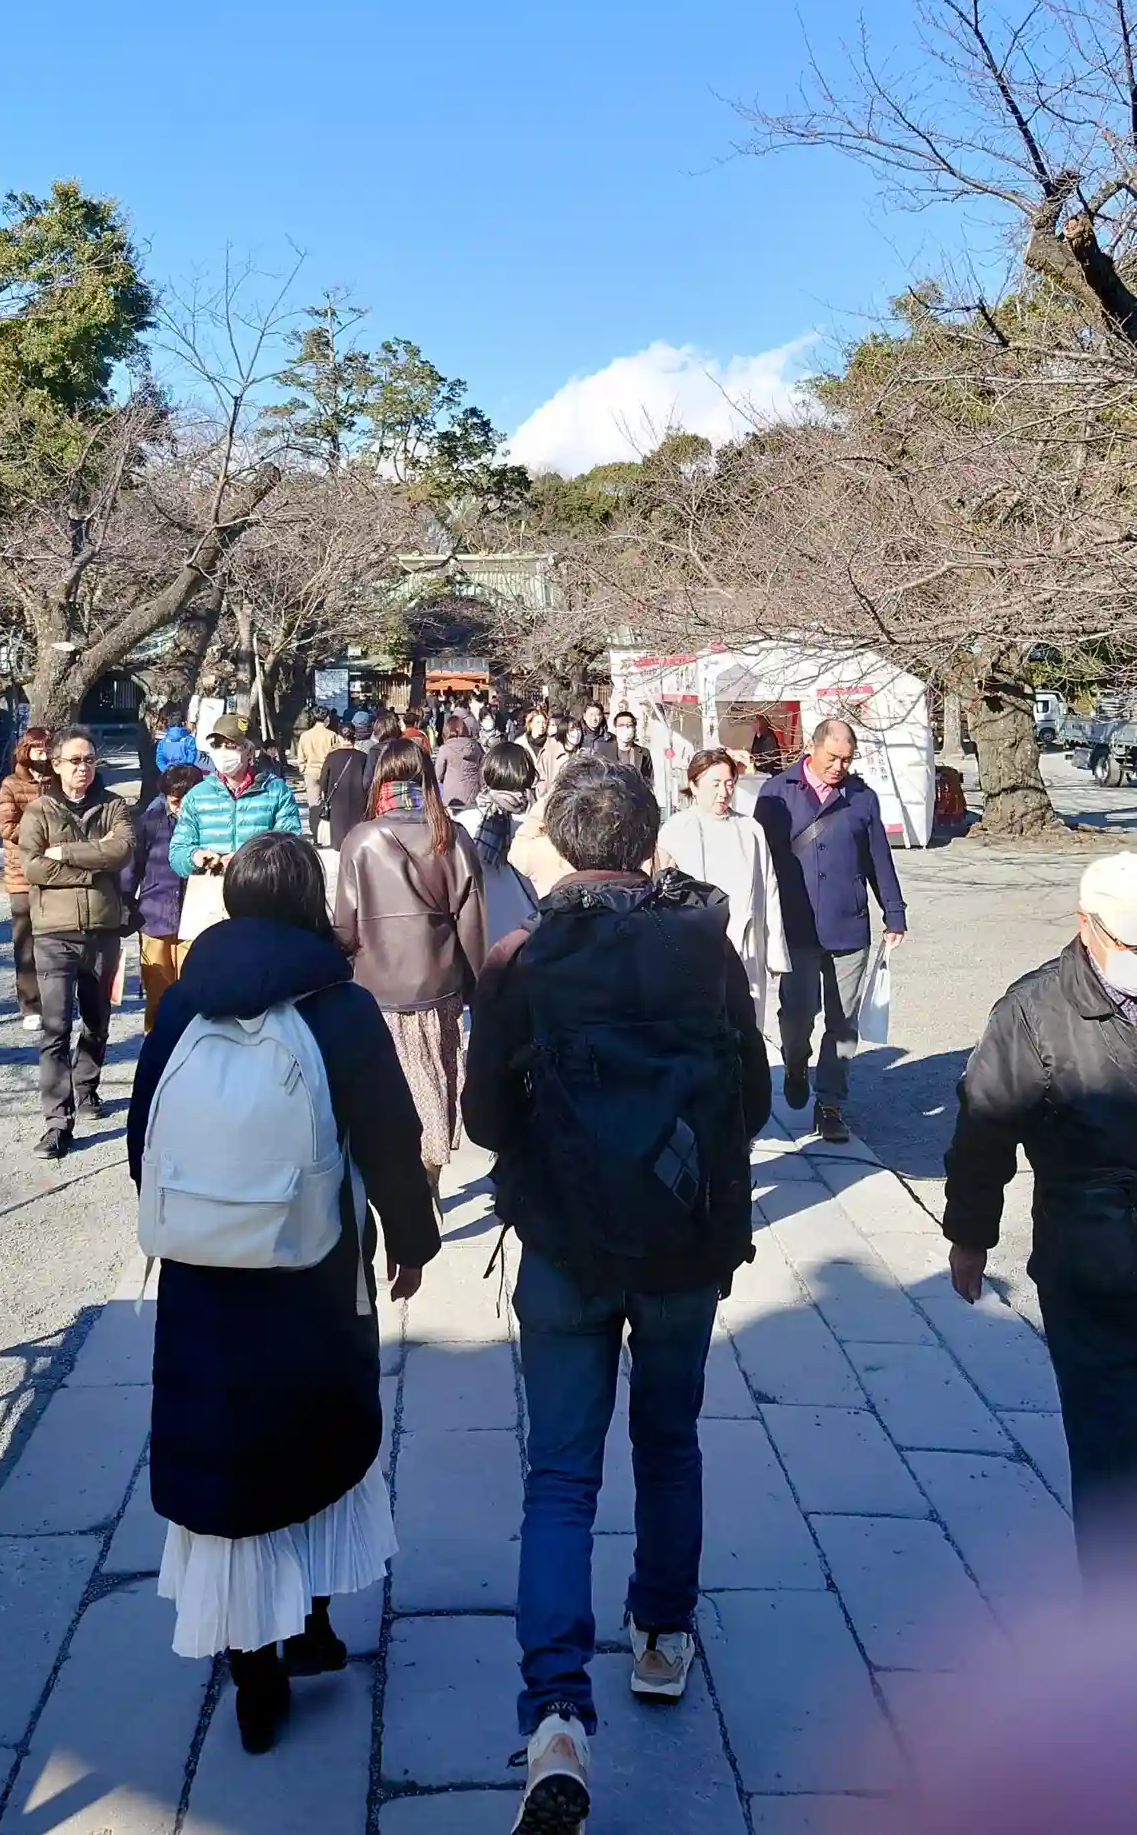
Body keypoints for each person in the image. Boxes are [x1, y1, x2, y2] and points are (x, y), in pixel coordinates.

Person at [462, 758, 771, 1828]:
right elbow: (755, 1098)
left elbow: (486, 1122)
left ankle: (556, 1714)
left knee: (559, 1475)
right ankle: (662, 1633)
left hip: (564, 1240)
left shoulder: (523, 957)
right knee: (670, 1441)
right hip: (683, 1241)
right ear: (649, 843)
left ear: (559, 842)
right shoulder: (705, 949)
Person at [127, 833, 440, 1752]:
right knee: (315, 1441)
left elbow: (144, 1137)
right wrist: (412, 1242)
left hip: (204, 1281)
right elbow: (390, 1139)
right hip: (313, 1270)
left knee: (228, 1458)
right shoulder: (341, 1007)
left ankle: (253, 1676)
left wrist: (198, 1214)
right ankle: (311, 1624)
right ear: (311, 902)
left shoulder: (184, 1004)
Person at [943, 851, 1137, 1573]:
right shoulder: (1033, 1012)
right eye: (1130, 942)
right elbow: (984, 1129)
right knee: (1108, 1451)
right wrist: (971, 1236)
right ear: (1088, 927)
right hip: (1090, 1263)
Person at [334, 736, 487, 1200]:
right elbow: (472, 920)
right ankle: (430, 1171)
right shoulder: (451, 835)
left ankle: (402, 1178)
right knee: (437, 1078)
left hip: (376, 988)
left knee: (393, 1085)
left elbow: (345, 927)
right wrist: (478, 985)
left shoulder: (360, 840)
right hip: (440, 983)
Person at [754, 716, 907, 1145]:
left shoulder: (861, 798)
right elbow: (761, 864)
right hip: (796, 926)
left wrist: (893, 912)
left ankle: (831, 1104)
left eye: (847, 759)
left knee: (843, 1023)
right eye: (833, 757)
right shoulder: (776, 794)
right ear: (812, 746)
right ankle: (796, 1063)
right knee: (797, 1015)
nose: (839, 766)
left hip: (848, 925)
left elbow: (878, 859)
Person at [19, 724, 134, 1158]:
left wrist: (65, 853)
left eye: (89, 760)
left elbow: (121, 851)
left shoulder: (114, 806)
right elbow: (33, 867)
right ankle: (56, 1123)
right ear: (56, 764)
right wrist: (93, 870)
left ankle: (86, 1086)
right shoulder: (39, 811)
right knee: (56, 1028)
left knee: (97, 1020)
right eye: (74, 761)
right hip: (54, 934)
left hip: (103, 932)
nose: (83, 768)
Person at [659, 749, 790, 1026]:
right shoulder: (675, 829)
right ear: (694, 785)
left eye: (729, 783)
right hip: (695, 946)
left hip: (746, 944)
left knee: (746, 1025)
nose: (723, 793)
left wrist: (775, 951)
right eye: (715, 784)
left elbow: (769, 888)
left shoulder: (751, 829)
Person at [169, 720, 303, 945]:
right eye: (217, 745)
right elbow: (177, 853)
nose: (223, 752)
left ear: (249, 750)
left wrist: (248, 861)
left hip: (263, 901)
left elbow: (292, 847)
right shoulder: (197, 795)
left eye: (231, 745)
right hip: (211, 905)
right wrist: (196, 857)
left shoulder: (276, 791)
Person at [124, 762, 208, 1029]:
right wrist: (124, 905)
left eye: (186, 800)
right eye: (175, 801)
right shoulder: (149, 821)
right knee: (158, 995)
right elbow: (131, 867)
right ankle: (155, 1045)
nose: (180, 807)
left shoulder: (209, 823)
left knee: (195, 993)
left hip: (197, 919)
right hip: (155, 916)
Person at [0, 725, 56, 1031]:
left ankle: (57, 998)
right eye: (37, 750)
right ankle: (30, 1003)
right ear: (26, 751)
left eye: (47, 750)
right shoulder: (11, 784)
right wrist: (41, 834)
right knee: (26, 941)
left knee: (57, 939)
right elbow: (7, 827)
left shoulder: (58, 781)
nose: (42, 756)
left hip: (56, 870)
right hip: (21, 873)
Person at [456, 742, 541, 944]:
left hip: (483, 930)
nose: (521, 795)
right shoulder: (533, 825)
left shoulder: (463, 823)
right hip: (523, 927)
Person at [323, 716, 376, 851]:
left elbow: (324, 780)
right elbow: (369, 780)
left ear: (339, 737)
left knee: (340, 842)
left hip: (337, 801)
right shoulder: (363, 757)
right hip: (359, 800)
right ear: (355, 737)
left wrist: (327, 795)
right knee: (357, 838)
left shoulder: (331, 757)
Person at [295, 707, 345, 844]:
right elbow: (337, 754)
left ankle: (315, 832)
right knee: (329, 801)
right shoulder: (332, 735)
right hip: (327, 771)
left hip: (311, 771)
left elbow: (300, 756)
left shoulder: (305, 736)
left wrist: (303, 769)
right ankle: (329, 832)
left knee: (313, 805)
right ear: (327, 718)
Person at [434, 711, 485, 812]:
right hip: (473, 796)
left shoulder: (445, 749)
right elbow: (483, 771)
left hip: (451, 798)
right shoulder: (476, 748)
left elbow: (438, 775)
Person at [609, 706, 655, 784]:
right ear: (615, 728)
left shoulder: (644, 752)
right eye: (621, 725)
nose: (625, 728)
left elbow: (649, 780)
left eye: (629, 725)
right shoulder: (605, 751)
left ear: (634, 728)